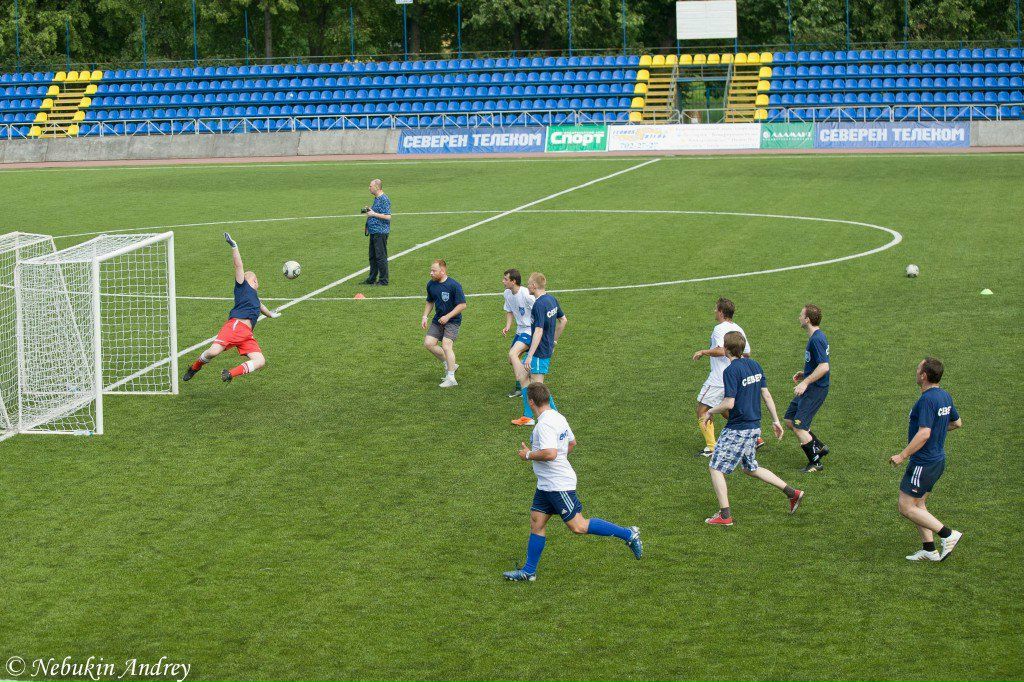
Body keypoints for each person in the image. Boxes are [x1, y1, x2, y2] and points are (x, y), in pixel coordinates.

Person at [503, 383, 643, 582]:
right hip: (546, 484)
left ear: (531, 401)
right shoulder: (558, 417)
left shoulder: (544, 424)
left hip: (557, 485)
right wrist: (557, 459)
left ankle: (628, 534)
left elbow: (550, 453)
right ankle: (529, 571)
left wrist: (528, 455)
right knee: (537, 522)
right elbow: (571, 443)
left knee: (578, 526)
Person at [702, 331, 804, 526]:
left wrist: (710, 411)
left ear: (726, 349)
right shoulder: (754, 365)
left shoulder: (730, 371)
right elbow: (766, 394)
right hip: (754, 427)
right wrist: (775, 421)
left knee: (715, 467)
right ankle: (793, 493)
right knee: (751, 468)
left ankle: (725, 516)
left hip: (738, 428)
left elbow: (729, 403)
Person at [888, 357, 963, 561]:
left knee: (906, 507)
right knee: (919, 504)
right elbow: (957, 423)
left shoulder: (927, 400)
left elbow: (924, 433)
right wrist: (938, 428)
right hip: (937, 460)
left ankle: (948, 534)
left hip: (923, 462)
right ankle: (929, 549)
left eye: (918, 369)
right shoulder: (944, 396)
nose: (916, 372)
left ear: (924, 375)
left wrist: (902, 455)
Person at [183, 232, 280, 384]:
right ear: (252, 281)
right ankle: (195, 367)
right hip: (235, 327)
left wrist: (270, 315)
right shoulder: (242, 286)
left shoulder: (255, 297)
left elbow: (261, 306)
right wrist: (234, 246)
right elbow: (238, 265)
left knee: (260, 361)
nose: (257, 282)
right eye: (255, 280)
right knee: (213, 352)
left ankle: (229, 374)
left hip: (246, 334)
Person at [691, 297, 755, 457]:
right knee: (726, 409)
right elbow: (747, 353)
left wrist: (703, 352)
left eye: (716, 309)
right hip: (735, 375)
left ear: (721, 312)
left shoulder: (719, 329)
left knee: (702, 409)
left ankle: (711, 447)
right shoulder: (738, 328)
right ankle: (755, 438)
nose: (714, 311)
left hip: (719, 378)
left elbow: (721, 350)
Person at [511, 272, 566, 427]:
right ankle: (528, 416)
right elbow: (563, 320)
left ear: (534, 286)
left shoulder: (539, 305)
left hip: (539, 352)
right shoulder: (551, 299)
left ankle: (556, 416)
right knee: (523, 377)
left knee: (538, 387)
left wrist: (530, 355)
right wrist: (553, 342)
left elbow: (539, 331)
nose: (527, 286)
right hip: (544, 349)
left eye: (529, 283)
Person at [785, 304, 831, 473]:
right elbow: (818, 364)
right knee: (790, 420)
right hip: (811, 385)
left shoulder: (817, 339)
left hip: (815, 389)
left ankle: (815, 463)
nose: (799, 317)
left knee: (799, 427)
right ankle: (818, 446)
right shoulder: (816, 337)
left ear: (808, 320)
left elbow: (824, 366)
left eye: (801, 315)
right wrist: (805, 374)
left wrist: (805, 382)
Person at [422, 259, 467, 388]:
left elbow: (462, 305)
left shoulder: (454, 285)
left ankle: (451, 378)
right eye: (430, 270)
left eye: (434, 271)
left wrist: (447, 316)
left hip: (453, 321)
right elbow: (430, 301)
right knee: (429, 343)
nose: (431, 273)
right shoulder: (431, 284)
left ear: (442, 271)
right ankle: (450, 364)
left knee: (447, 345)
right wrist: (425, 316)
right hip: (438, 319)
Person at [501, 268, 535, 399]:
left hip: (530, 329)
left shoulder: (526, 294)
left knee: (513, 354)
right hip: (520, 329)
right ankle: (529, 376)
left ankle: (521, 387)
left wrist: (539, 330)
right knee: (512, 360)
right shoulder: (507, 293)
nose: (503, 281)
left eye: (505, 279)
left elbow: (539, 309)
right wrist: (508, 326)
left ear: (513, 281)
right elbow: (509, 310)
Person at [362, 178, 391, 286]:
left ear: (377, 187)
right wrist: (370, 210)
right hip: (374, 232)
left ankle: (383, 280)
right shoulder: (377, 198)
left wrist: (373, 214)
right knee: (373, 257)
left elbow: (388, 216)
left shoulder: (384, 199)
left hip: (380, 232)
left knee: (380, 257)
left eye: (370, 186)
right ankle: (372, 278)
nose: (369, 188)